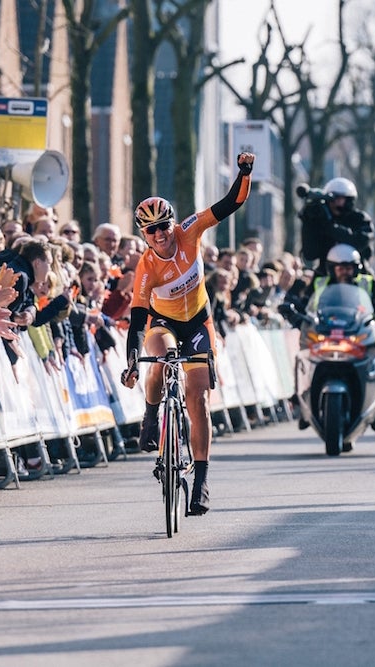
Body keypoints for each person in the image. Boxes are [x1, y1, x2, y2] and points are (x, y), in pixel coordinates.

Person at [120, 151, 255, 517]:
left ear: (172, 223)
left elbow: (232, 203)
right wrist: (132, 360)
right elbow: (136, 321)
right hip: (163, 323)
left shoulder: (190, 231)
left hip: (198, 322)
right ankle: (150, 417)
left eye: (164, 225)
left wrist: (244, 173)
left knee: (198, 401)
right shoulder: (146, 269)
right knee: (159, 360)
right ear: (143, 235)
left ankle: (201, 482)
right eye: (152, 231)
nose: (161, 234)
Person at [298, 177, 374, 274]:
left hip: (357, 272)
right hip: (326, 274)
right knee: (309, 289)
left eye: (339, 199)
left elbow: (360, 241)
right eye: (331, 200)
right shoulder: (321, 219)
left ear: (348, 200)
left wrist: (329, 227)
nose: (334, 203)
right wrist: (309, 223)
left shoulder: (360, 219)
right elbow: (310, 254)